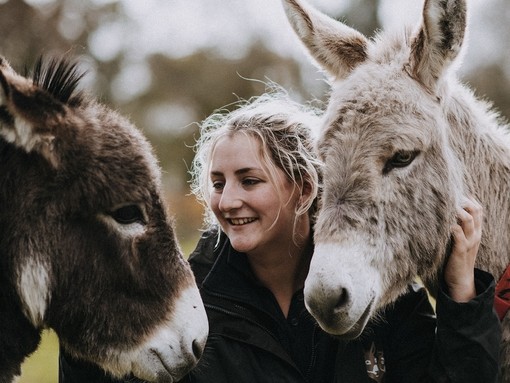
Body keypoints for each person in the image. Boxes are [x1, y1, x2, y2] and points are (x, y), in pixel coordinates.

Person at [59, 90, 501, 383]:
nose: (228, 200)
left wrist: (462, 295)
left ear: (305, 188)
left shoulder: (376, 294)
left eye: (249, 181)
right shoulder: (186, 303)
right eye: (217, 183)